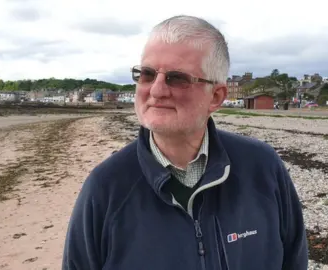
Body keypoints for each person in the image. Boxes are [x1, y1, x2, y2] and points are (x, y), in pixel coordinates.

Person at [62, 15, 308, 270]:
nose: (156, 90)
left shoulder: (262, 168)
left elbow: (295, 259)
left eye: (177, 78)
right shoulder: (106, 186)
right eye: (147, 74)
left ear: (216, 96)